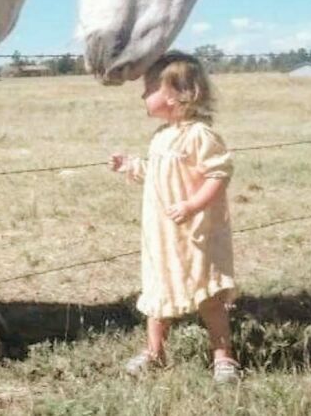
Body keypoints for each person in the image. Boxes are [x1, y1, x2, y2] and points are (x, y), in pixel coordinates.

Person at [109, 51, 240, 382]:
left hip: (195, 235)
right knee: (157, 298)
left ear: (178, 93)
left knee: (208, 296)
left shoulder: (200, 135)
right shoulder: (161, 137)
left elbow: (218, 174)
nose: (142, 94)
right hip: (162, 238)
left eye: (149, 87)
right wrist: (131, 165)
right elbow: (157, 173)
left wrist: (193, 205)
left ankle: (223, 357)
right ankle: (155, 353)